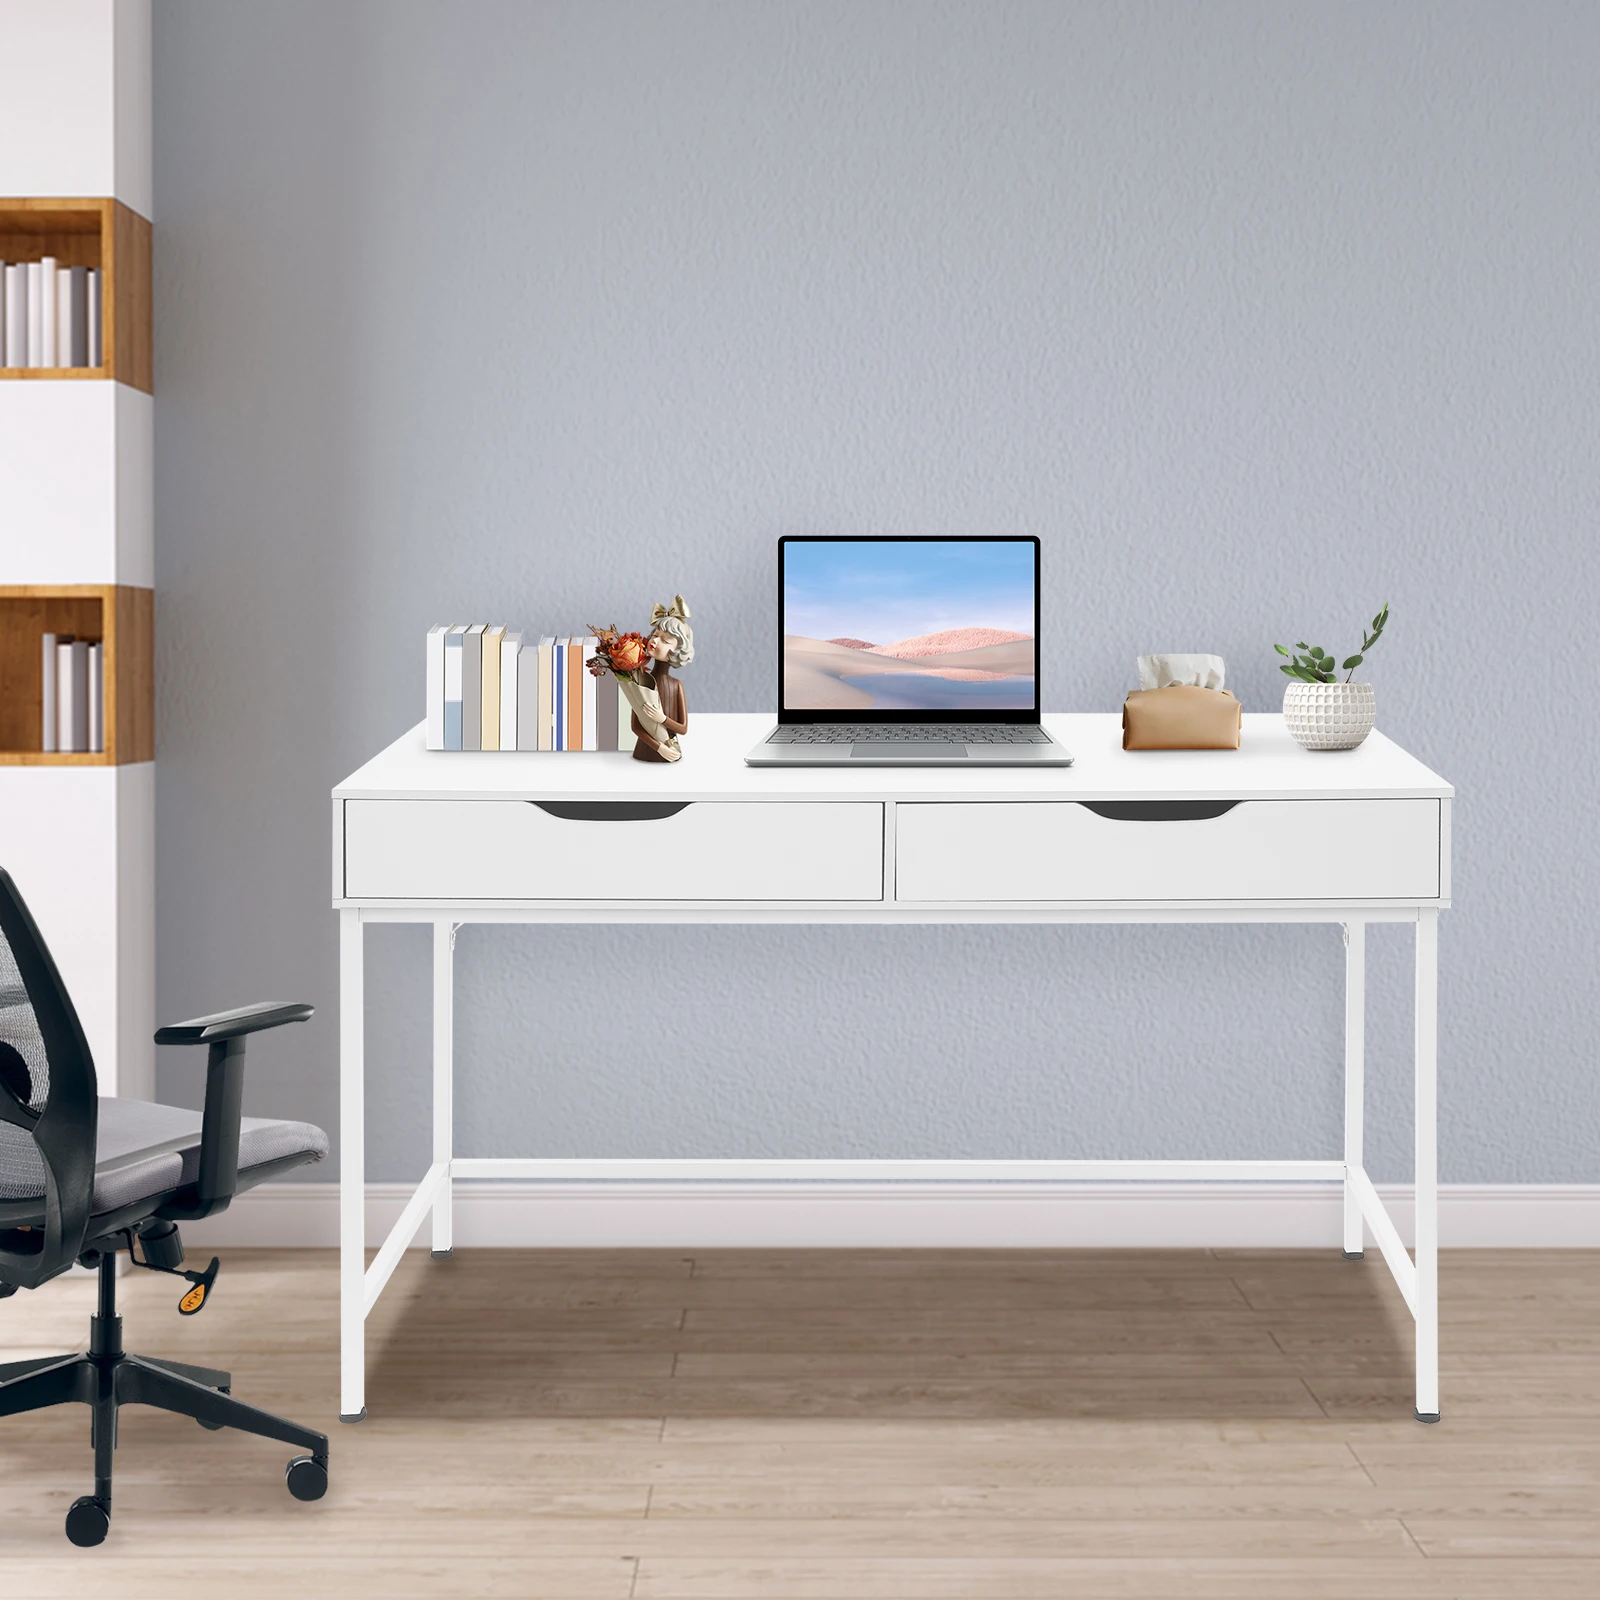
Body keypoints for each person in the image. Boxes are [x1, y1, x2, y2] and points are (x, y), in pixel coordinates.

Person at [631, 595, 692, 762]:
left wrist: (662, 719)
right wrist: (659, 748)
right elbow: (635, 726)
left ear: (677, 652)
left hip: (671, 751)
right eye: (655, 635)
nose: (655, 641)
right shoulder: (641, 681)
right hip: (644, 751)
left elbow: (683, 728)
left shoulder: (676, 686)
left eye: (665, 640)